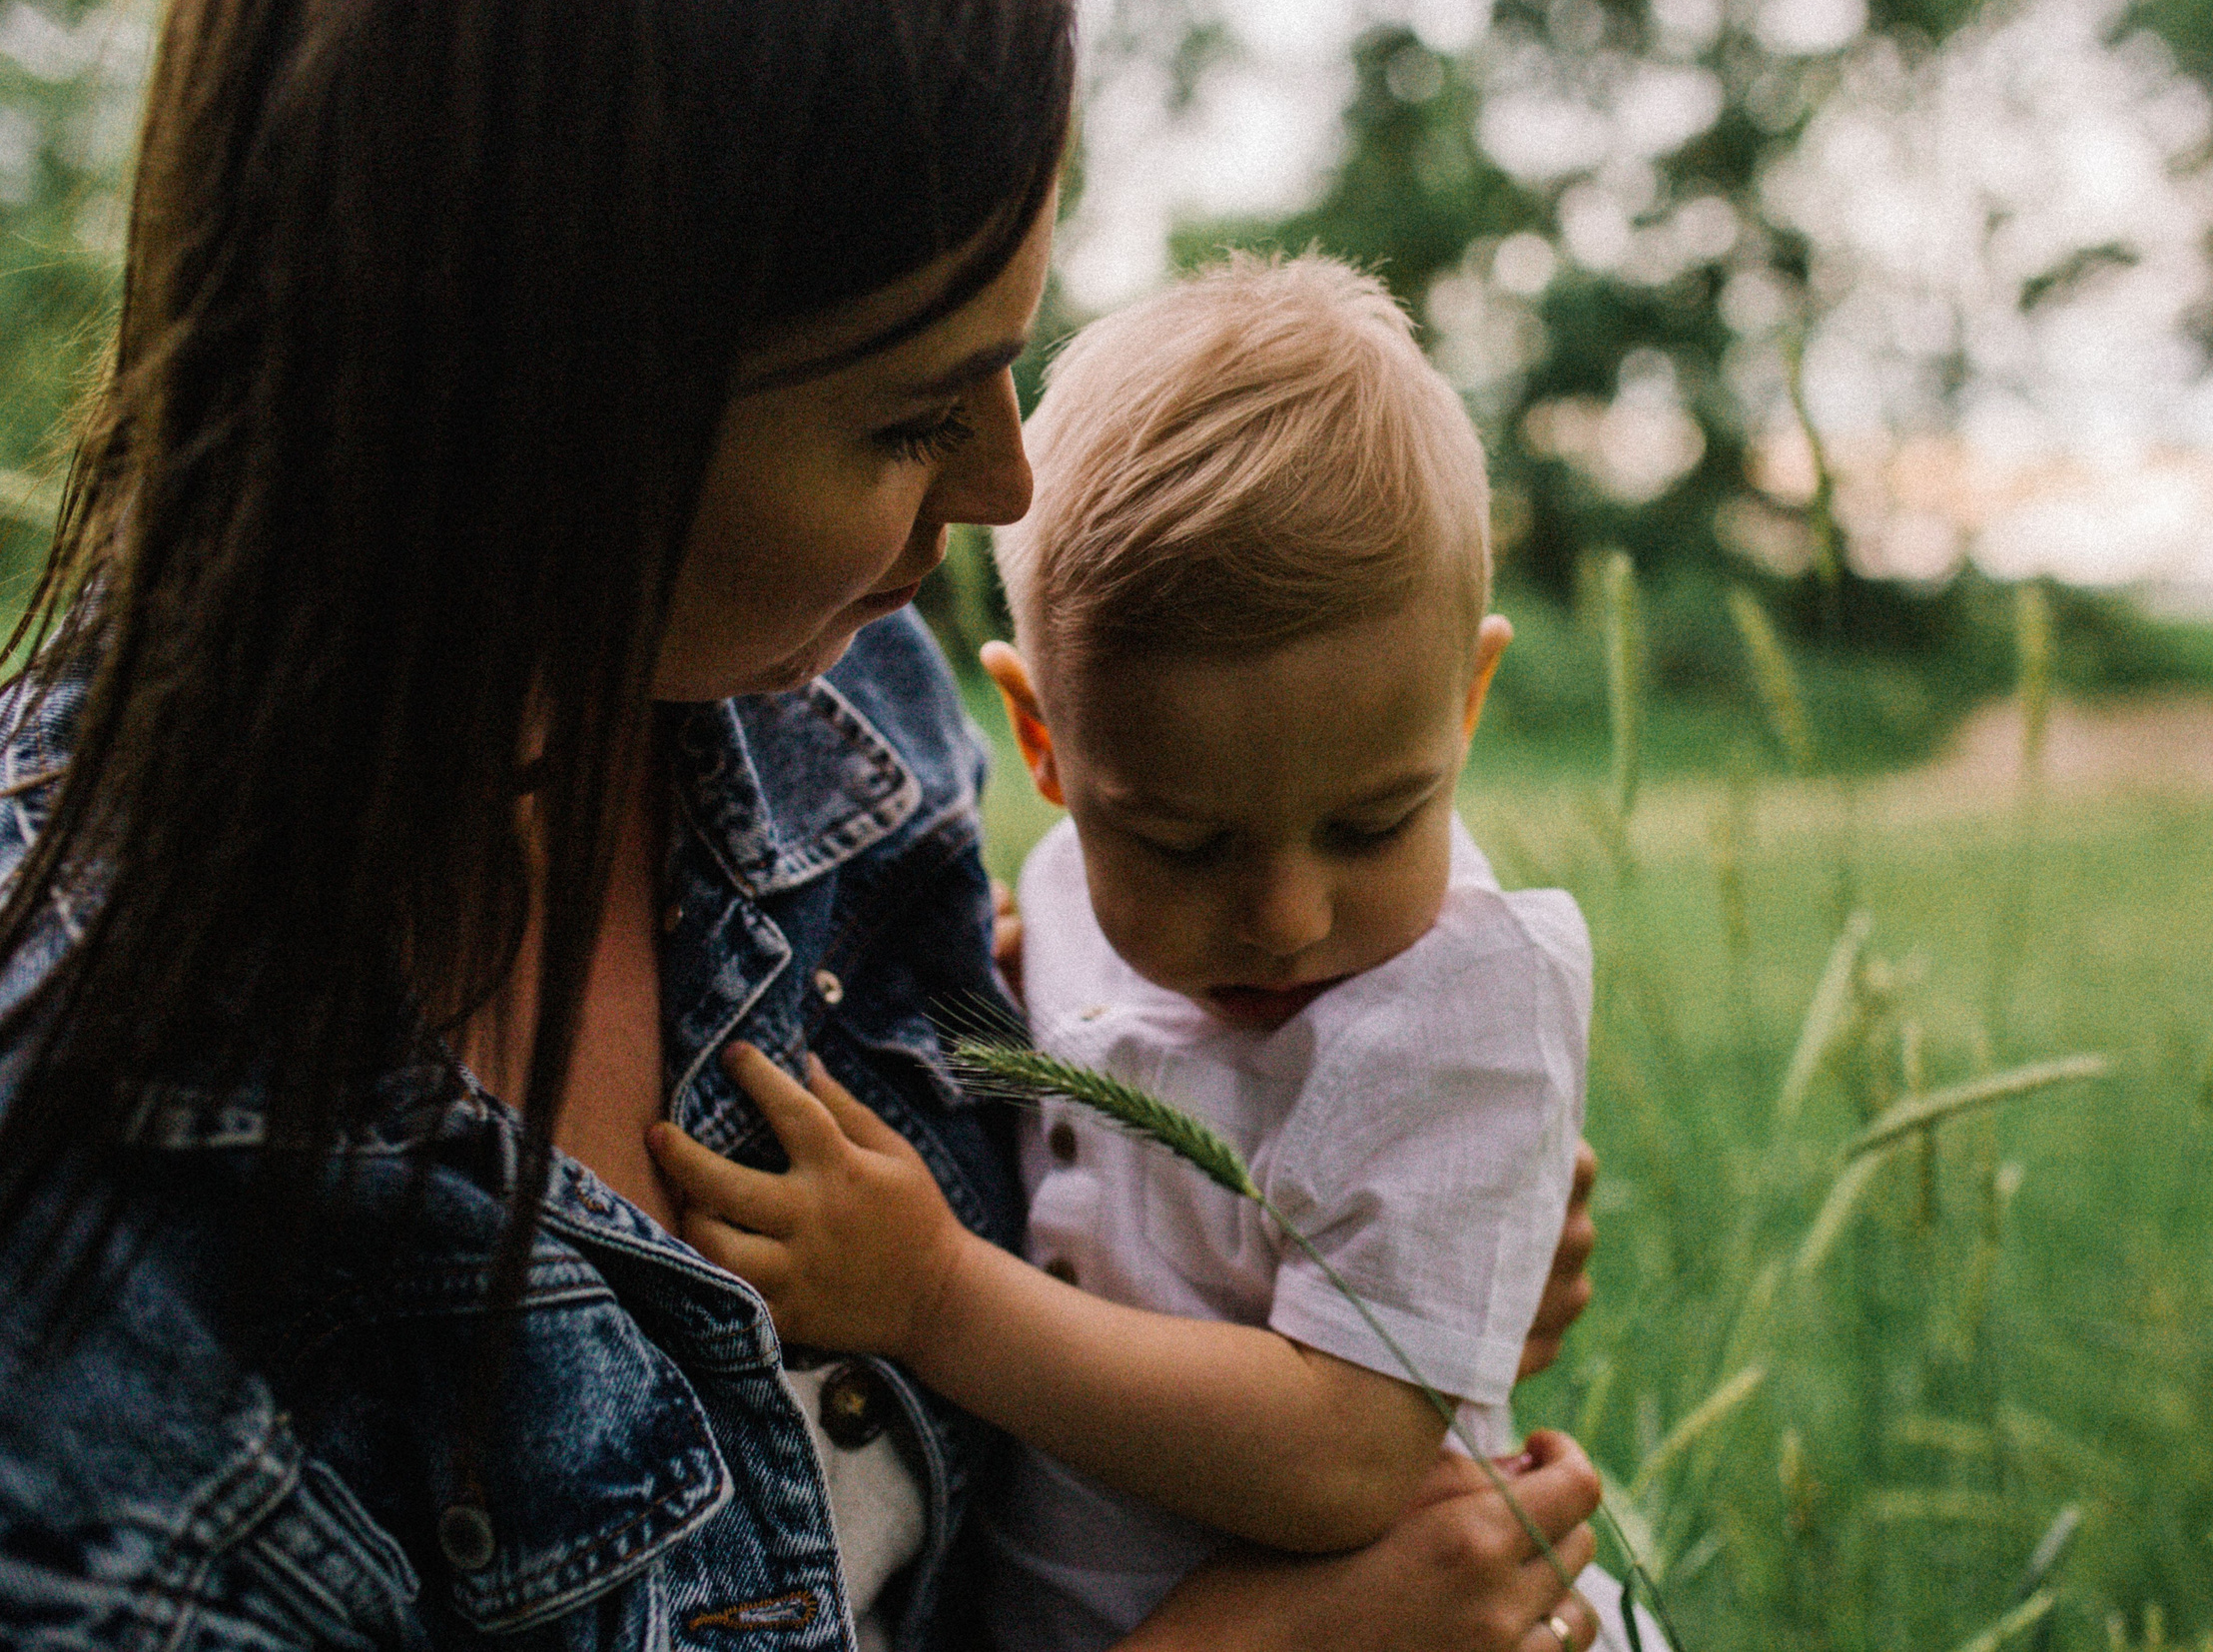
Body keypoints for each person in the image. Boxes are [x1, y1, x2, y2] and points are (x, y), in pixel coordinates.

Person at [0, 0, 1605, 1649]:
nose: (1009, 486)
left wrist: (1364, 1246)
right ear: (550, 395)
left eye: (1010, 360)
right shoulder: (99, 1186)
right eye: (911, 418)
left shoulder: (830, 704)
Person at [650, 253, 1626, 1652]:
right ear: (1045, 743)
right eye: (1181, 842)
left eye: (1371, 822)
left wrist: (934, 1292)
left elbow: (1348, 1452)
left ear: (1467, 700)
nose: (1283, 918)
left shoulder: (1465, 1004)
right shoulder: (1056, 900)